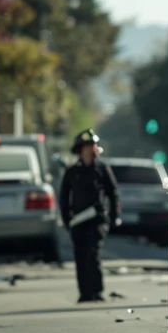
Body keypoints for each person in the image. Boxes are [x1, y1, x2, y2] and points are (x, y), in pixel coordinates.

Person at [59, 129, 120, 303]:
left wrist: (114, 216)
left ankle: (97, 290)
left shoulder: (102, 169)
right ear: (80, 150)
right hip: (78, 221)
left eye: (92, 146)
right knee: (80, 256)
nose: (90, 150)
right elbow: (64, 198)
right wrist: (66, 219)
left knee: (93, 253)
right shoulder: (72, 172)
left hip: (97, 219)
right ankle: (85, 293)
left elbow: (112, 193)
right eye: (87, 147)